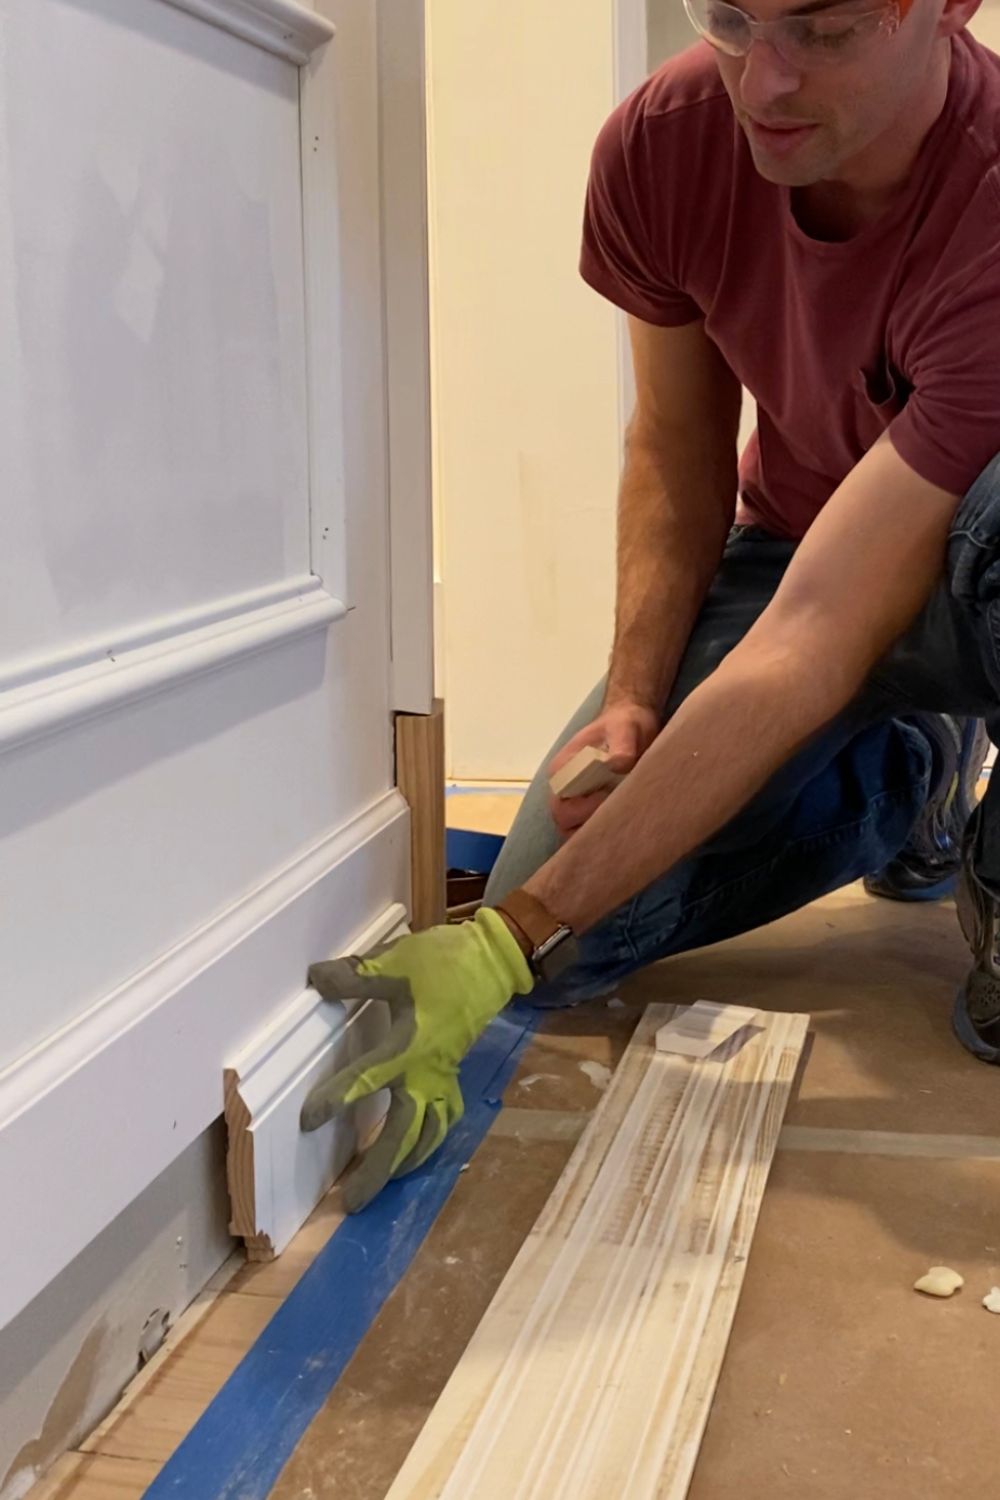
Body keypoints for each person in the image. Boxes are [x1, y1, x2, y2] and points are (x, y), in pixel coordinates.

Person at [302, 0, 1000, 1212]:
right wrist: (631, 707)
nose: (762, 83)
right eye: (728, 16)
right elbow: (677, 441)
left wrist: (505, 928)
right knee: (586, 946)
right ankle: (907, 782)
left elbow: (820, 633)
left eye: (823, 30)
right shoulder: (664, 140)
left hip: (961, 565)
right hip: (794, 550)